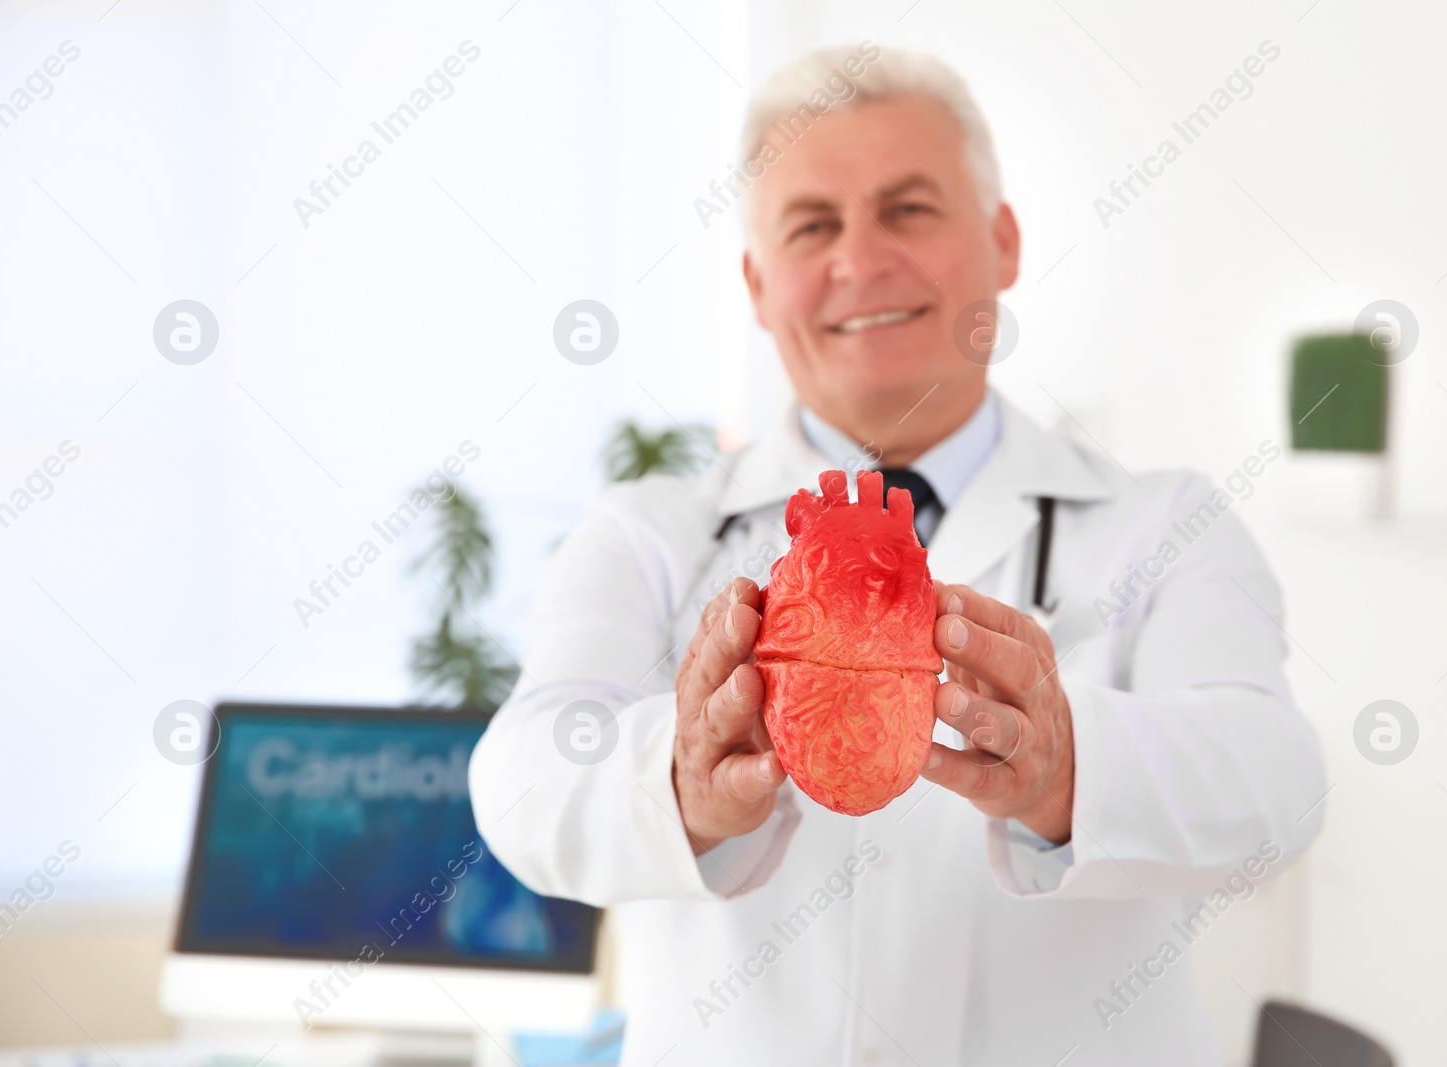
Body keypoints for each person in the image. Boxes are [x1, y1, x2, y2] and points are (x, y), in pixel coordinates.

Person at [470, 43, 1325, 1066]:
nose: (859, 260)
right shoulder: (647, 533)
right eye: (811, 225)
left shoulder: (1163, 524)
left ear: (1002, 242)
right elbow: (521, 784)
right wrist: (681, 777)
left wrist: (1066, 765)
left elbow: (1278, 789)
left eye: (908, 208)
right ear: (755, 282)